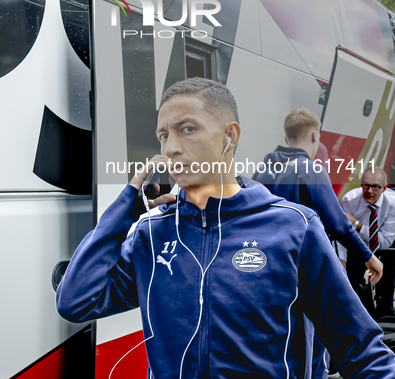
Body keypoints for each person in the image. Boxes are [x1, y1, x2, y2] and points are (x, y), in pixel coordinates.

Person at [56, 78, 395, 379]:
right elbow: (75, 301)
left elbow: (359, 347)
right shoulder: (151, 234)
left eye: (187, 129)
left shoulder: (295, 227)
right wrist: (126, 208)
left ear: (229, 136)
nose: (170, 146)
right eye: (163, 135)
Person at [252, 107, 383, 379]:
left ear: (287, 139)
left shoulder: (261, 172)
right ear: (315, 135)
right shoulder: (311, 171)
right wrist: (371, 258)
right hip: (303, 276)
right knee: (312, 353)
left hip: (264, 275)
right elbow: (338, 224)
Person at [338, 167, 395, 320]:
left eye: (375, 187)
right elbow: (342, 236)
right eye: (365, 185)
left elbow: (384, 241)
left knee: (388, 272)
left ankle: (386, 314)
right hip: (356, 248)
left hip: (383, 250)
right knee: (352, 288)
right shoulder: (349, 200)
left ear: (384, 188)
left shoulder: (393, 204)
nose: (369, 191)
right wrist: (342, 262)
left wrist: (358, 225)